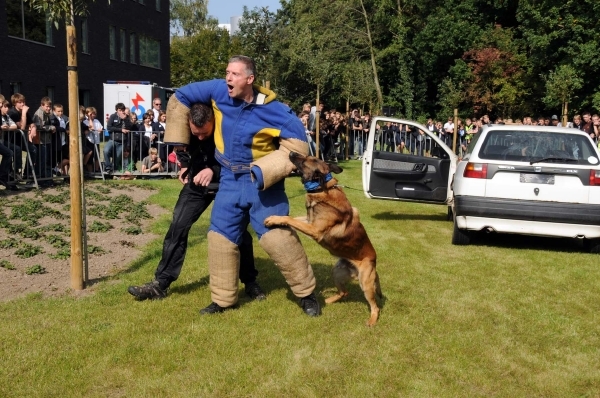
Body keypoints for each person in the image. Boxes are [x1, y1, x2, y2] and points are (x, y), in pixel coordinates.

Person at [165, 55, 319, 316]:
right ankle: (223, 300)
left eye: (235, 74)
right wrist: (181, 147)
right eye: (227, 72)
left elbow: (298, 147)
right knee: (220, 238)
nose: (228, 78)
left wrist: (267, 171)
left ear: (250, 79)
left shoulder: (277, 111)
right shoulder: (217, 91)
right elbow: (180, 97)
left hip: (263, 185)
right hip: (229, 180)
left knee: (278, 238)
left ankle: (307, 294)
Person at [128, 103, 265, 301]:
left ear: (213, 122)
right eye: (196, 133)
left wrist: (213, 170)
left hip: (226, 182)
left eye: (204, 134)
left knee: (238, 232)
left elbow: (238, 158)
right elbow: (180, 146)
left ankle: (250, 282)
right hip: (196, 184)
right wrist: (184, 165)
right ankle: (160, 283)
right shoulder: (185, 127)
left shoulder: (227, 127)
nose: (199, 137)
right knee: (178, 227)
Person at [104, 102, 132, 172]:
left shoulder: (126, 117)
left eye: (123, 110)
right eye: (120, 110)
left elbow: (130, 127)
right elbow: (109, 127)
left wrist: (125, 119)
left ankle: (114, 170)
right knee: (106, 151)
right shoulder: (113, 116)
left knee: (117, 156)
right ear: (117, 110)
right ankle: (107, 166)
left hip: (122, 141)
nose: (122, 112)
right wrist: (121, 129)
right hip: (113, 139)